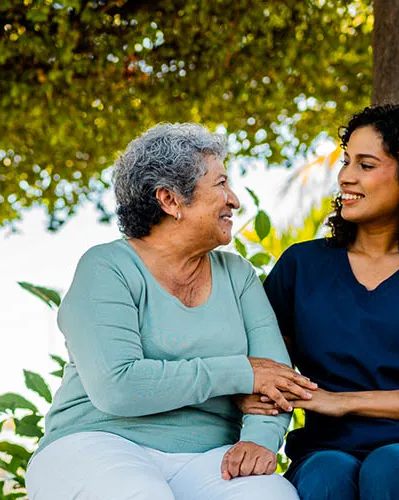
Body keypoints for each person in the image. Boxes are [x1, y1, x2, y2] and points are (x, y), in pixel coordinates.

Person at [26, 123, 312, 499]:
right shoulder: (106, 267)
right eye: (221, 184)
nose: (234, 200)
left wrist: (260, 440)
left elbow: (276, 379)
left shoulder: (237, 275)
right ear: (170, 200)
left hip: (210, 456)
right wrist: (241, 373)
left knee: (270, 496)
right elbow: (120, 387)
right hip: (97, 441)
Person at [241, 105, 399, 499]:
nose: (346, 176)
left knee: (390, 466)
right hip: (328, 450)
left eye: (366, 164)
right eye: (346, 161)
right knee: (326, 474)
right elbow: (266, 366)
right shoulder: (302, 265)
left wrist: (344, 403)